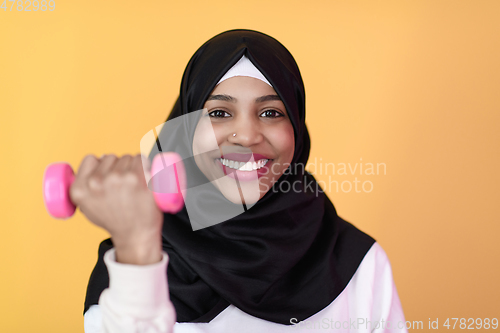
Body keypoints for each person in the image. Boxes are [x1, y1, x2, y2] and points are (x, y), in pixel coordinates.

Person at [77, 29, 408, 332]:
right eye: (219, 113)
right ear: (185, 130)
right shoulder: (133, 261)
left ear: (296, 128)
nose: (248, 136)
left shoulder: (359, 263)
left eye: (271, 113)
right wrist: (137, 246)